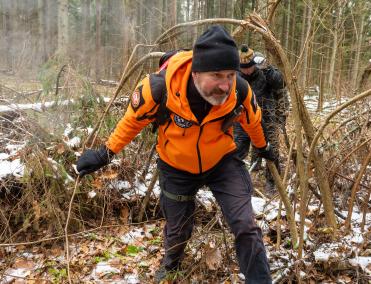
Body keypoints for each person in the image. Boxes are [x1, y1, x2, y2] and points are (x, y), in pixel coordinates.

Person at [76, 26, 274, 283]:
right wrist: (105, 153)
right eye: (216, 75)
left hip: (222, 162)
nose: (225, 85)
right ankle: (171, 267)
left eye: (229, 75)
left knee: (246, 225)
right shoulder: (160, 88)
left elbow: (252, 121)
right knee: (178, 230)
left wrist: (263, 147)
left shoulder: (239, 91)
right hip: (176, 166)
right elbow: (132, 121)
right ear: (197, 71)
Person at [233, 44, 289, 195]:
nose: (246, 71)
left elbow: (281, 83)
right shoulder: (235, 75)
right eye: (243, 68)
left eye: (249, 67)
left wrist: (268, 67)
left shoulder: (265, 72)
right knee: (236, 150)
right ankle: (236, 182)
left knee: (272, 151)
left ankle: (272, 183)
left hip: (267, 118)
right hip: (242, 119)